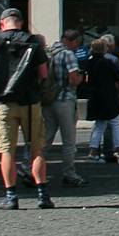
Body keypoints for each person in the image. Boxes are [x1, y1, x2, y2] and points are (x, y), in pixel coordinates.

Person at [0, 8, 51, 210]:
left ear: (2, 23)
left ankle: (11, 197)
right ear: (20, 22)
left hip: (5, 103)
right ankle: (43, 196)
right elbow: (43, 74)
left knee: (7, 150)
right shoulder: (33, 42)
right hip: (30, 102)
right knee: (36, 149)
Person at [41, 28, 84, 185]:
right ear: (73, 41)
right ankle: (69, 173)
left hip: (47, 99)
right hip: (65, 99)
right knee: (69, 141)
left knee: (46, 137)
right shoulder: (68, 54)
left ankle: (28, 167)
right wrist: (81, 77)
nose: (77, 47)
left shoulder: (48, 52)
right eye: (77, 43)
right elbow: (73, 79)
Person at [84, 37, 119, 162]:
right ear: (104, 49)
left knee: (99, 124)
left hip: (95, 97)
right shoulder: (109, 63)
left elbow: (86, 80)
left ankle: (93, 151)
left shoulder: (89, 62)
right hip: (109, 96)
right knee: (115, 123)